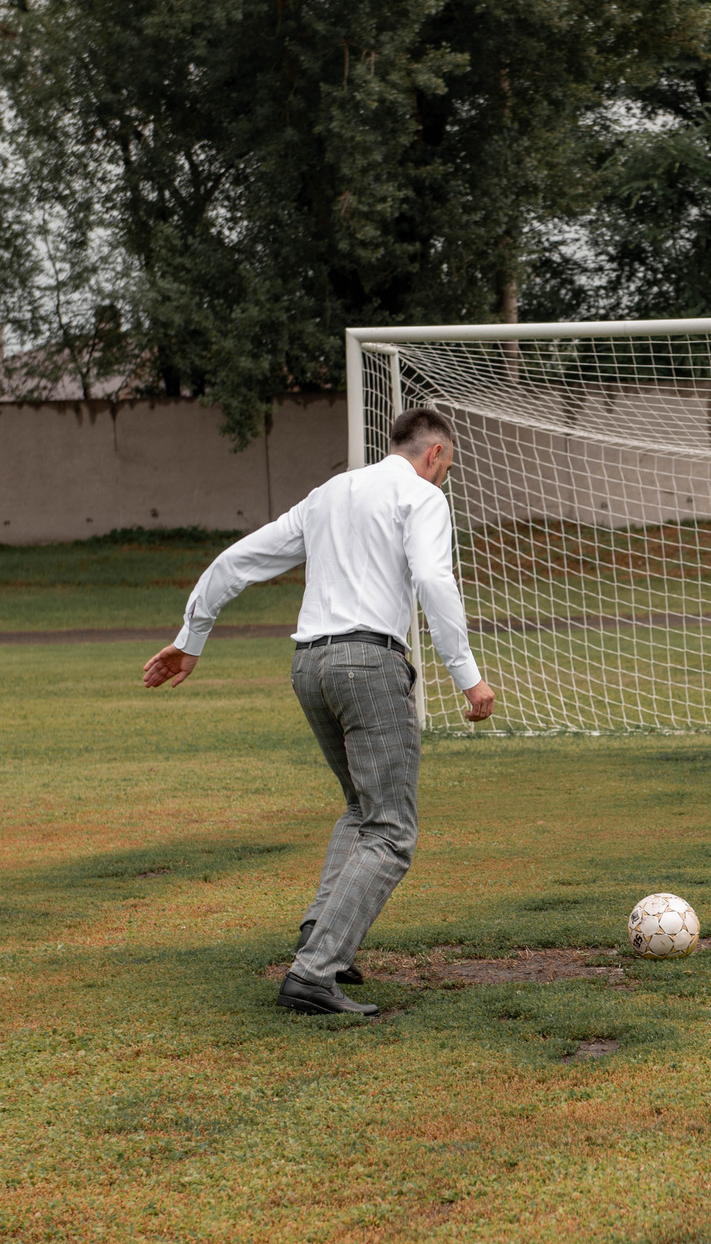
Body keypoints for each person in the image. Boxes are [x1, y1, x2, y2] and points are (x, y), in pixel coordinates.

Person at [141, 406, 496, 1017]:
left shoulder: (329, 492)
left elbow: (237, 561)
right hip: (370, 664)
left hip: (310, 666)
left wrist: (190, 637)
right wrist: (469, 678)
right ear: (434, 454)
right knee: (391, 831)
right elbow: (435, 580)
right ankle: (313, 972)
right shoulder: (421, 495)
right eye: (447, 468)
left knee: (361, 806)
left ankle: (322, 932)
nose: (443, 480)